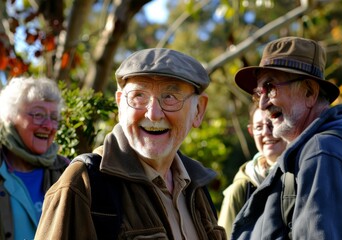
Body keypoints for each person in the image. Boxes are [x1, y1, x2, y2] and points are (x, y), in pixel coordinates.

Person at [35, 48, 227, 239]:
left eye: (169, 97)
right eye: (139, 96)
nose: (153, 114)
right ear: (120, 104)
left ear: (199, 111)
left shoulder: (196, 187)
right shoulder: (84, 184)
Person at [231, 36, 342, 239]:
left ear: (309, 92)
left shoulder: (322, 152)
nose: (262, 105)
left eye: (270, 88)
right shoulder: (321, 149)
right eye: (258, 93)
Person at [0, 76, 70, 240]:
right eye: (38, 115)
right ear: (10, 116)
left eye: (54, 118)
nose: (48, 126)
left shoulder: (66, 171)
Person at [218, 103, 286, 238]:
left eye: (272, 123)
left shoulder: (304, 174)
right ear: (251, 131)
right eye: (259, 127)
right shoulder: (241, 190)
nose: (266, 132)